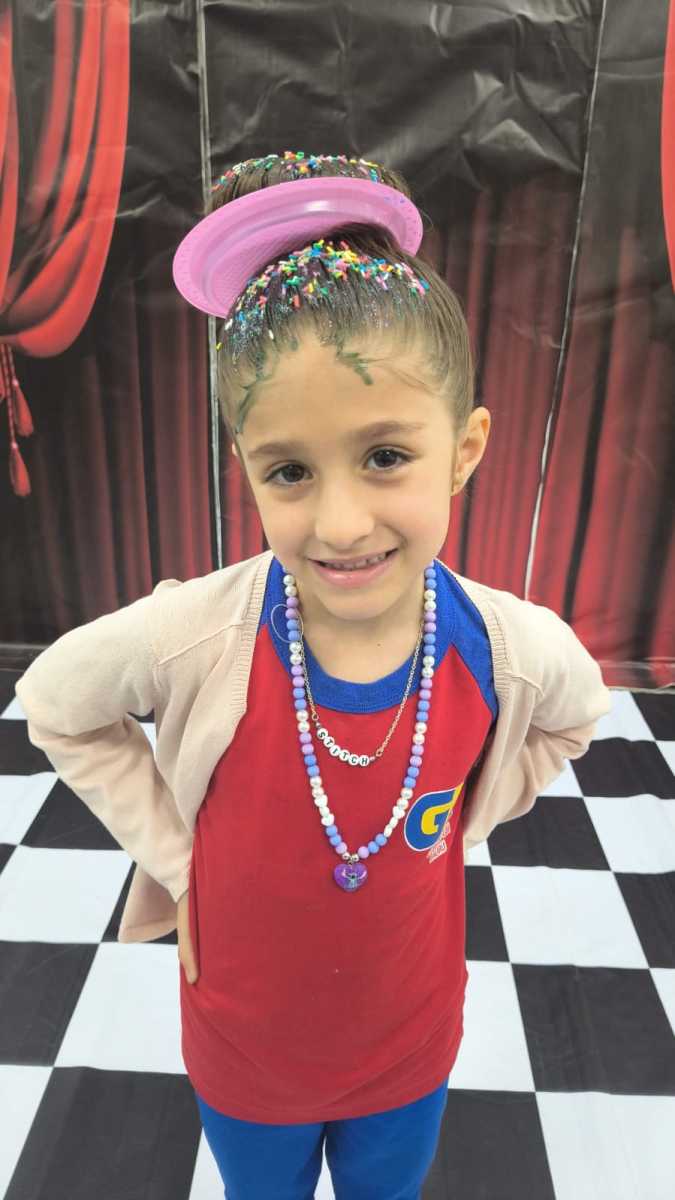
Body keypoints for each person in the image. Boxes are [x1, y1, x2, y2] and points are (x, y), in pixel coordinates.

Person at [15, 150, 612, 1200]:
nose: (339, 524)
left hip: (409, 1048)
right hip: (245, 1056)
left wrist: (470, 813)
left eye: (385, 456)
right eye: (289, 471)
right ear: (244, 467)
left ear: (464, 448)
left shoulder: (503, 647)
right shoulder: (199, 634)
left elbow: (577, 714)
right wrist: (182, 860)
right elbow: (55, 704)